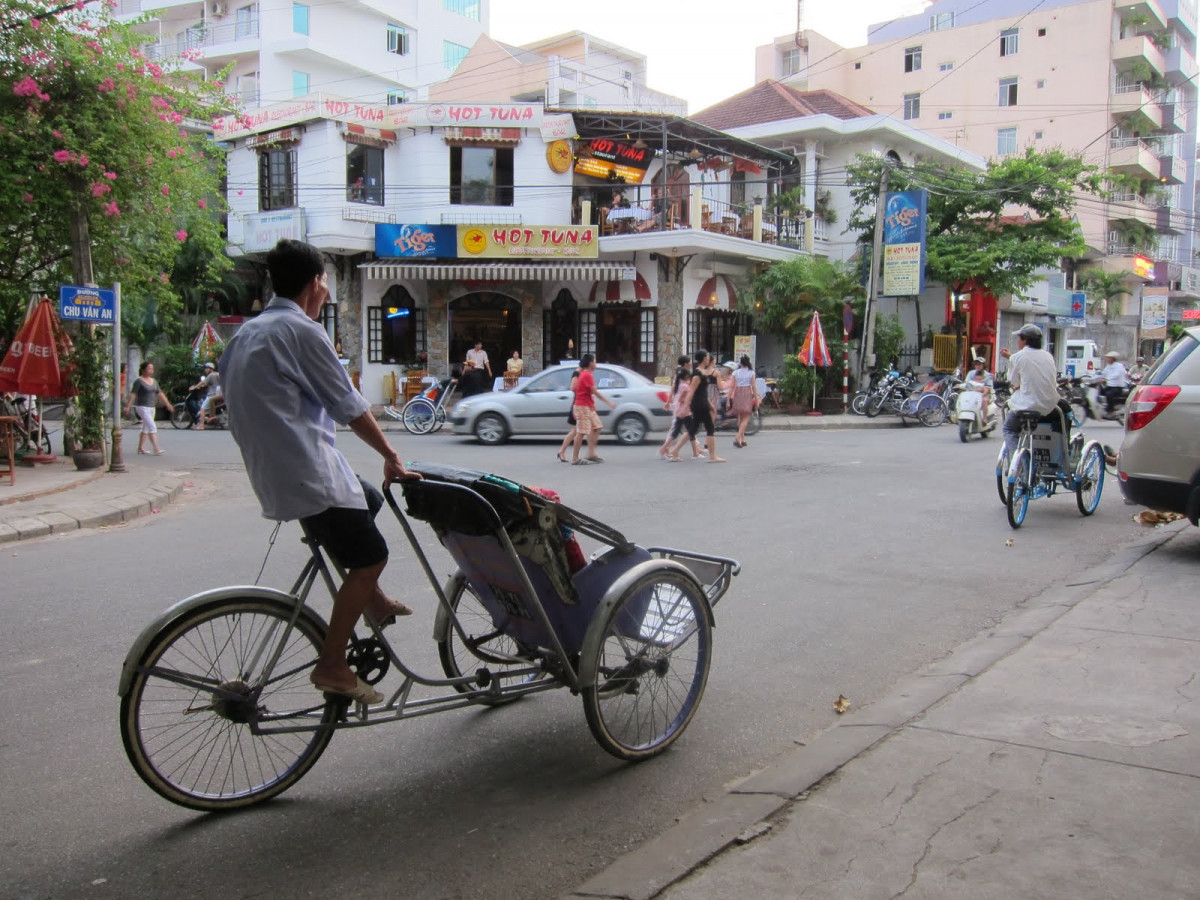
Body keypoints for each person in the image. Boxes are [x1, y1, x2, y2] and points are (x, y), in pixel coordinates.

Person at [220, 238, 420, 705]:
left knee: (368, 498)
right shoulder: (302, 331)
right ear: (316, 283)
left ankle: (372, 598)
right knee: (371, 556)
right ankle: (332, 664)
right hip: (307, 473)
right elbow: (349, 406)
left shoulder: (248, 333)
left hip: (278, 471)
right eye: (326, 281)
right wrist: (392, 454)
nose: (328, 290)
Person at [999, 324, 1060, 459]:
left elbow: (1014, 382)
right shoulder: (1048, 356)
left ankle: (1017, 461)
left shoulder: (1018, 357)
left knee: (1009, 428)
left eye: (1019, 339)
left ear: (1024, 340)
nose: (1018, 342)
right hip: (1049, 406)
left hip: (1027, 406)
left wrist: (1018, 385)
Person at [668, 350, 726, 463]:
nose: (709, 358)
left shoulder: (702, 372)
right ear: (704, 359)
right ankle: (713, 456)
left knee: (692, 430)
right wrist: (685, 406)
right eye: (708, 357)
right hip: (699, 405)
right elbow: (691, 391)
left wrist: (711, 405)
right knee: (709, 428)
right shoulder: (697, 374)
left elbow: (703, 391)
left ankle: (675, 451)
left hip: (703, 403)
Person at [570, 353, 615, 465]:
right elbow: (594, 392)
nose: (596, 364)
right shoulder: (586, 375)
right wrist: (608, 402)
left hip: (587, 405)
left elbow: (589, 393)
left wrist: (592, 404)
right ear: (590, 363)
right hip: (582, 406)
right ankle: (575, 458)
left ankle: (591, 453)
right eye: (595, 361)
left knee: (597, 426)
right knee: (581, 432)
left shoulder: (587, 374)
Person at [658, 355, 705, 461]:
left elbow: (675, 390)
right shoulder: (683, 382)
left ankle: (695, 451)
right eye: (689, 362)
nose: (691, 363)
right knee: (676, 430)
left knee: (687, 430)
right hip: (683, 409)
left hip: (682, 409)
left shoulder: (681, 378)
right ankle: (666, 450)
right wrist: (687, 402)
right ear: (685, 364)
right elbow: (679, 395)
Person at [123, 361, 174, 455]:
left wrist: (167, 404)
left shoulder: (154, 381)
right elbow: (133, 394)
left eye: (152, 369)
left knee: (146, 428)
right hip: (142, 407)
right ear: (143, 370)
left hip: (151, 407)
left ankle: (140, 448)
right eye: (149, 369)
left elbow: (160, 393)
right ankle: (156, 448)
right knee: (152, 426)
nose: (151, 371)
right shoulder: (139, 381)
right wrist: (128, 406)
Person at [729, 355, 760, 448]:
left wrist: (728, 399)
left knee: (740, 416)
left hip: (738, 393)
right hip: (746, 392)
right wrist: (756, 398)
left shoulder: (735, 372)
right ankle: (738, 436)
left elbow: (732, 386)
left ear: (740, 363)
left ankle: (742, 439)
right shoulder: (751, 372)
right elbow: (753, 386)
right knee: (747, 416)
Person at [557, 362, 584, 463]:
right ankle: (563, 452)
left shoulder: (581, 372)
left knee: (575, 431)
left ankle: (562, 451)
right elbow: (573, 387)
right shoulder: (577, 373)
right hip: (577, 404)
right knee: (576, 431)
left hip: (579, 403)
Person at [1096, 350, 1130, 418]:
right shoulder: (1108, 366)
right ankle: (1104, 408)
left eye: (1109, 358)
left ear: (1113, 359)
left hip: (1117, 387)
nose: (1107, 359)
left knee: (1109, 395)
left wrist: (1106, 379)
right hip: (1109, 386)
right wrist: (1097, 377)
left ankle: (1111, 411)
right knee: (1099, 392)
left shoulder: (1119, 366)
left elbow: (1116, 375)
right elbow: (1103, 373)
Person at [190, 361, 220, 430]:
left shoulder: (211, 375)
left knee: (202, 409)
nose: (205, 370)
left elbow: (203, 382)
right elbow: (206, 384)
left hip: (212, 395)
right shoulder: (217, 374)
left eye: (207, 368)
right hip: (218, 394)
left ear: (210, 369)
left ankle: (201, 425)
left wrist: (194, 387)